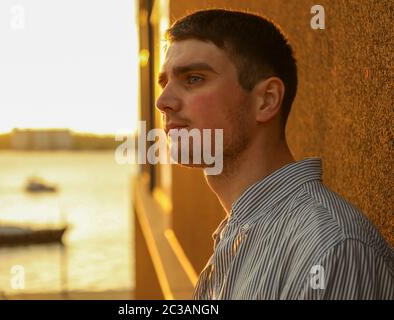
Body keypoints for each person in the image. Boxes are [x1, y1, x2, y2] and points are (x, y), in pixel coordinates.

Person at [155, 9, 393, 299]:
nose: (163, 101)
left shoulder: (329, 251)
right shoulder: (239, 234)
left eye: (193, 78)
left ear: (266, 101)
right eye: (164, 82)